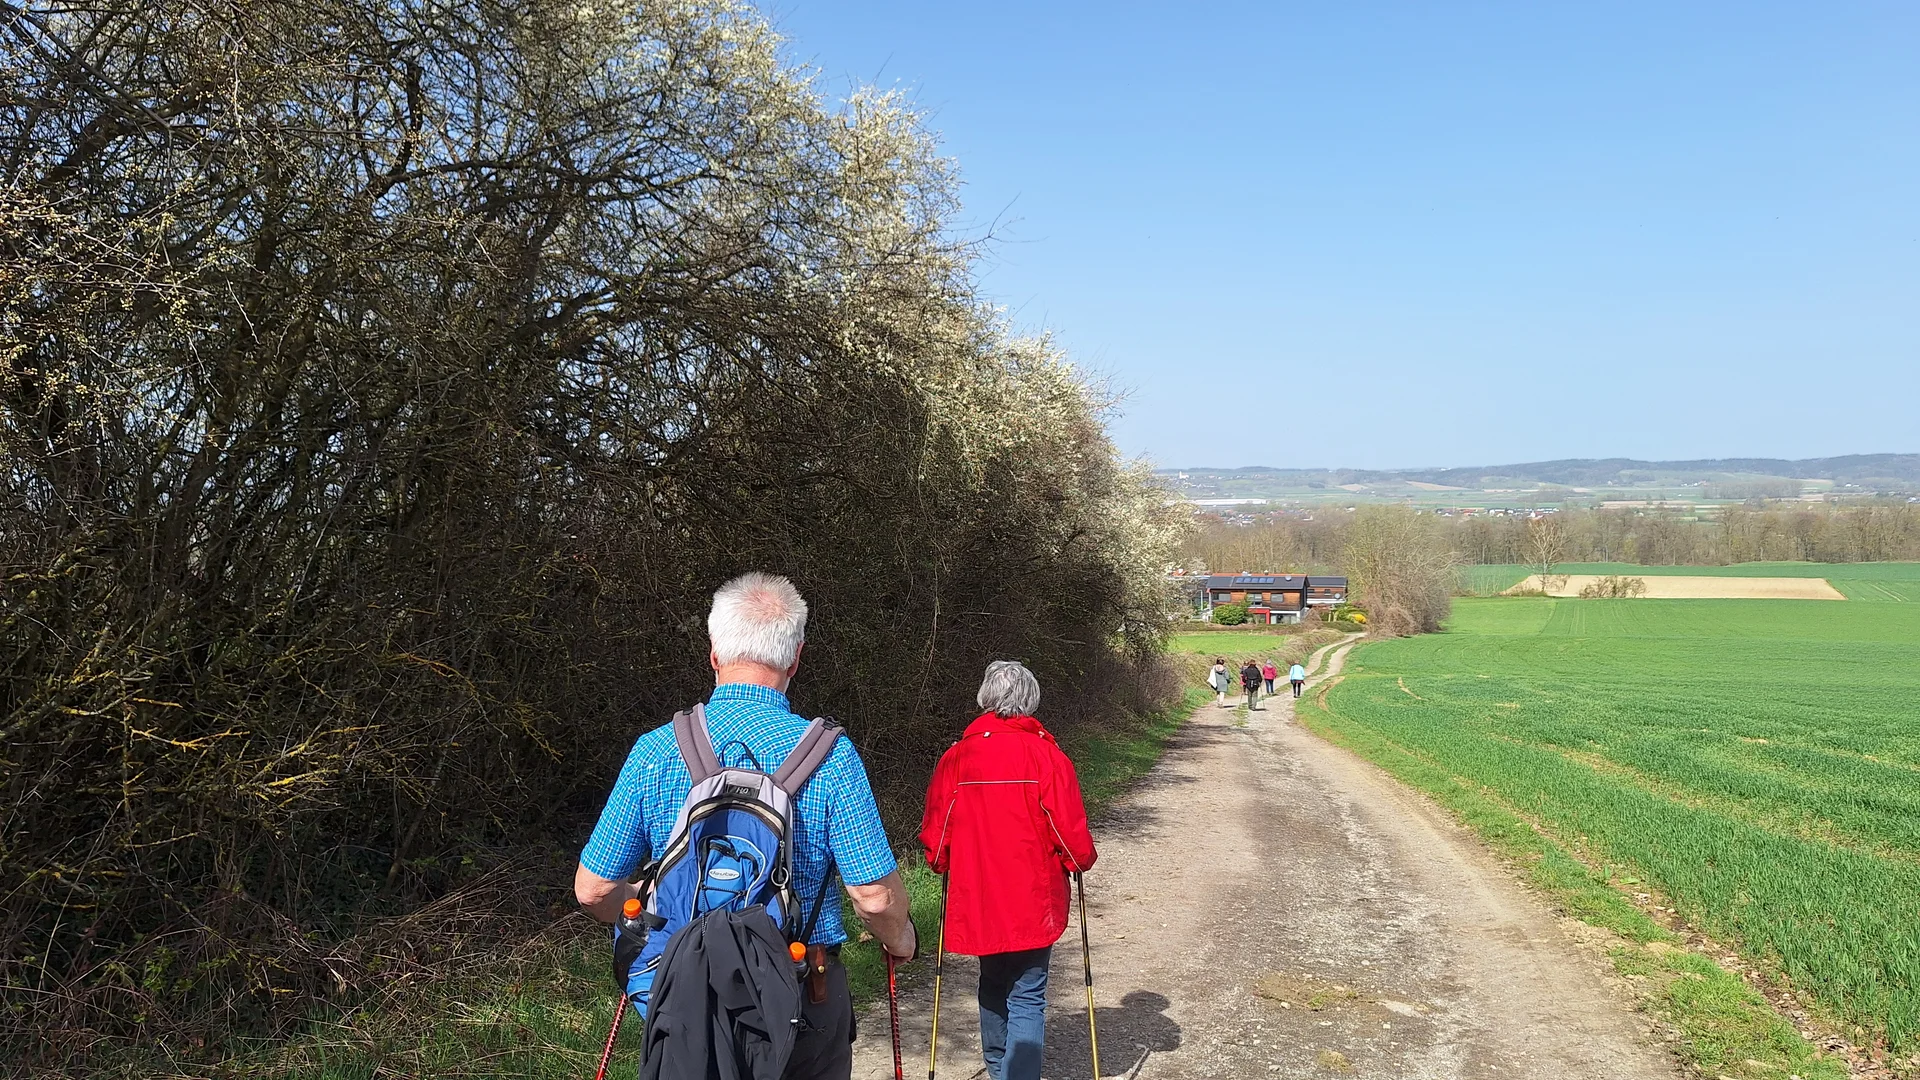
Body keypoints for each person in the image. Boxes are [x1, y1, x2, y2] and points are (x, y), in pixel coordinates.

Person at [574, 572, 917, 1080]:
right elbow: (875, 898)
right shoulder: (830, 757)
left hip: (684, 998)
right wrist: (901, 939)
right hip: (803, 989)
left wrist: (643, 906)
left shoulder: (654, 750)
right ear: (796, 657)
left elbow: (592, 889)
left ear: (714, 653)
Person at [919, 661, 1097, 1080]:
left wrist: (940, 861)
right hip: (1032, 897)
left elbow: (938, 830)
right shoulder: (1046, 757)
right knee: (1028, 994)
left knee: (993, 983)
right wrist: (1079, 861)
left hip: (978, 892)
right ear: (1030, 702)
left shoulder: (957, 759)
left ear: (985, 698)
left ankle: (1000, 1068)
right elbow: (1068, 831)